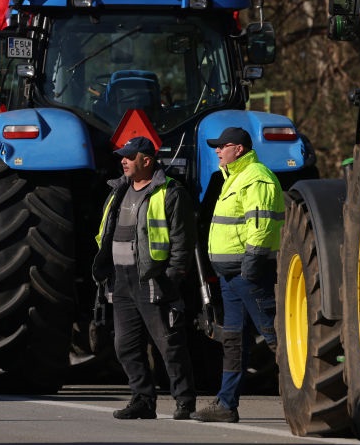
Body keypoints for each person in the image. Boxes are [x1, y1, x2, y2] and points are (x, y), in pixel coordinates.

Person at [93, 135, 198, 420]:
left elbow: (182, 241)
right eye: (122, 156)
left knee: (169, 343)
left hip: (153, 279)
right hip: (121, 280)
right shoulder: (118, 191)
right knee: (125, 346)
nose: (123, 161)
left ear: (147, 160)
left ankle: (185, 401)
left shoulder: (171, 192)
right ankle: (142, 400)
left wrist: (172, 277)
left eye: (129, 156)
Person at [192, 126, 284, 423]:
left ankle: (313, 393)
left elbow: (262, 225)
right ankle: (226, 404)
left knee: (275, 336)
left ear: (239, 149)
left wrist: (251, 265)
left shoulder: (256, 177)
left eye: (222, 146)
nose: (217, 151)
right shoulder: (231, 178)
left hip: (248, 274)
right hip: (231, 276)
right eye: (216, 147)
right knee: (233, 341)